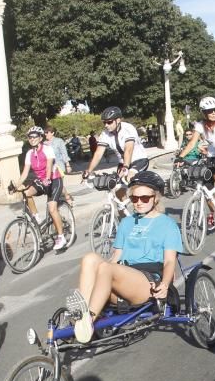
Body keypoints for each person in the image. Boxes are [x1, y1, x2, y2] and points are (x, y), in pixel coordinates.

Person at [66, 171, 183, 344]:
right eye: (134, 199)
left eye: (144, 198)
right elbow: (116, 257)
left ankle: (87, 320)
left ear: (155, 198)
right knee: (90, 259)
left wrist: (165, 285)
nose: (139, 203)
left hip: (148, 282)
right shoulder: (126, 223)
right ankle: (82, 311)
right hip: (123, 276)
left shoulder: (167, 224)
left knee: (107, 268)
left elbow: (170, 261)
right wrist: (98, 275)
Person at [176, 96, 215, 212]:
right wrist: (180, 157)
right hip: (212, 155)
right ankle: (213, 213)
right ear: (204, 112)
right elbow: (192, 143)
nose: (214, 113)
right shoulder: (199, 125)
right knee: (207, 186)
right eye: (210, 111)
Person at [15, 125, 70, 252]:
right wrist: (16, 186)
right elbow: (24, 173)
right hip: (41, 181)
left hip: (54, 180)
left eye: (35, 136)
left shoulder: (47, 149)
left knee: (52, 208)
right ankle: (37, 217)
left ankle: (61, 237)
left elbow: (49, 165)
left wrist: (47, 178)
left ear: (40, 138)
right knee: (26, 193)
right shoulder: (29, 153)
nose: (32, 139)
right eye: (30, 137)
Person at [45, 125, 74, 205]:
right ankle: (62, 198)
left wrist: (67, 165)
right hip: (49, 168)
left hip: (59, 166)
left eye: (47, 132)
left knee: (58, 184)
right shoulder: (44, 144)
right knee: (52, 185)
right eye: (45, 133)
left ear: (52, 133)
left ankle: (67, 197)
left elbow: (64, 153)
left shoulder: (59, 141)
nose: (45, 134)